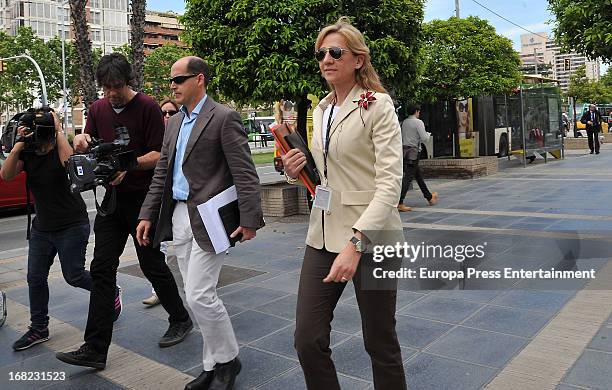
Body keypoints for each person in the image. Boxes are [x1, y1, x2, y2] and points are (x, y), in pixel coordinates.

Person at [282, 18, 407, 390]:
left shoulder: (378, 106)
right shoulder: (321, 109)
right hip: (321, 236)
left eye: (336, 52)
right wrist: (295, 171)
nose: (326, 59)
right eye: (322, 53)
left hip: (372, 238)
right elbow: (327, 175)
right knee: (307, 338)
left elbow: (389, 185)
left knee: (379, 342)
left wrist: (357, 243)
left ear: (358, 59)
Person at [56, 53, 192, 370]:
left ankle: (180, 318)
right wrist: (81, 140)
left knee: (151, 262)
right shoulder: (97, 109)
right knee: (102, 268)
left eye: (116, 86)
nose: (111, 93)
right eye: (106, 88)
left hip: (143, 199)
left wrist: (127, 166)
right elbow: (89, 143)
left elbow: (160, 154)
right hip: (112, 199)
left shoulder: (145, 106)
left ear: (127, 82)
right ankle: (95, 348)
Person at [137, 56, 264, 390]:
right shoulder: (175, 123)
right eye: (171, 81)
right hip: (178, 216)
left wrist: (250, 219)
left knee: (198, 295)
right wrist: (147, 213)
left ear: (200, 80)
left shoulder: (223, 117)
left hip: (211, 219)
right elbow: (162, 172)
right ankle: (213, 365)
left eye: (179, 79)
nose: (173, 86)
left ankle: (229, 360)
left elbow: (245, 173)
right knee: (197, 295)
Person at [0, 109, 121, 351]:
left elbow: (70, 166)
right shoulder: (29, 151)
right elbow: (6, 175)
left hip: (72, 225)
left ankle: (111, 291)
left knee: (74, 276)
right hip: (42, 228)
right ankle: (39, 328)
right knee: (35, 277)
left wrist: (57, 131)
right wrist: (18, 145)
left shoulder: (59, 148)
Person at [142, 98, 179, 307]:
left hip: (182, 200)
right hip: (161, 201)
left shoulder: (183, 132)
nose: (167, 116)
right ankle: (158, 291)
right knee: (159, 246)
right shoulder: (154, 139)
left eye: (171, 112)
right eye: (163, 113)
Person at [398, 104, 438, 212]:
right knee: (408, 177)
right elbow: (424, 138)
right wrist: (428, 134)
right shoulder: (418, 122)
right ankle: (400, 202)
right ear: (416, 111)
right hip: (414, 152)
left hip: (405, 151)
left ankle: (429, 197)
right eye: (419, 111)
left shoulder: (404, 122)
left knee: (417, 175)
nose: (419, 113)